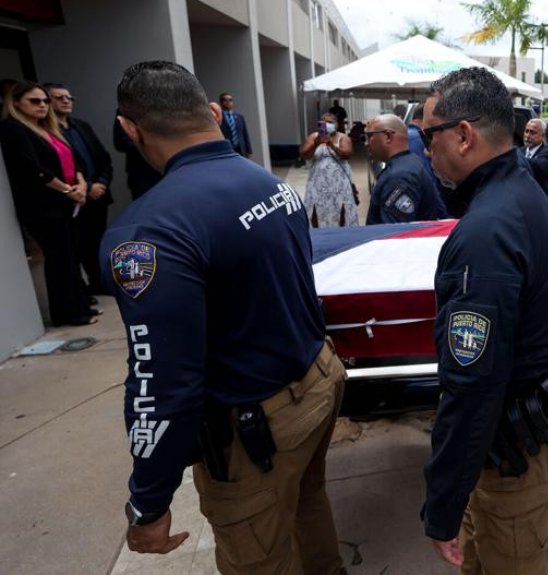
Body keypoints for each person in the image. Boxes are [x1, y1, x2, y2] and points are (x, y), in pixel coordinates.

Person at [104, 61, 345, 575]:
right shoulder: (266, 182)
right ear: (211, 112)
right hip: (318, 377)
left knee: (257, 552)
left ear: (130, 129)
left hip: (260, 425)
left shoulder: (148, 231)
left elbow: (161, 379)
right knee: (306, 503)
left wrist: (148, 500)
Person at [420, 67, 548, 573]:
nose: (425, 149)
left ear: (464, 135)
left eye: (430, 136)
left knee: (506, 561)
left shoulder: (485, 233)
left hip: (518, 434)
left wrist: (442, 507)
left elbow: (471, 387)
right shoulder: (520, 183)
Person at [0, 81, 95, 327]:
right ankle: (70, 314)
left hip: (67, 201)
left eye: (44, 101)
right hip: (44, 207)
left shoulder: (48, 128)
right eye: (34, 101)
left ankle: (81, 306)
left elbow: (75, 161)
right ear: (16, 102)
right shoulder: (13, 129)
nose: (42, 105)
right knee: (59, 259)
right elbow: (30, 168)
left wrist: (81, 185)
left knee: (70, 256)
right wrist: (67, 190)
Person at [47, 83, 114, 296]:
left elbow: (103, 157)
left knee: (98, 240)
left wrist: (101, 182)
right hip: (74, 197)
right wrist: (89, 186)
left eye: (69, 97)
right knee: (78, 246)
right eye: (59, 97)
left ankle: (99, 282)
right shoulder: (47, 132)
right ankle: (80, 291)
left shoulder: (81, 126)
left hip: (98, 194)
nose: (66, 101)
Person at [364, 113, 441, 224]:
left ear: (388, 136)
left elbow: (394, 235)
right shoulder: (410, 161)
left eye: (370, 136)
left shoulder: (399, 177)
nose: (366, 143)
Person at [300, 112, 358, 227]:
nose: (327, 125)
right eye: (324, 123)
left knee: (341, 209)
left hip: (338, 184)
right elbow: (305, 155)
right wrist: (316, 144)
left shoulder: (343, 137)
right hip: (317, 184)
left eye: (330, 123)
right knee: (316, 209)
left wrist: (331, 145)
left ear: (336, 124)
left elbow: (347, 154)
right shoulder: (314, 137)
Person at [523, 118, 548, 207]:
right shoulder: (521, 151)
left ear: (542, 135)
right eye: (526, 131)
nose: (528, 135)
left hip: (543, 204)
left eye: (532, 132)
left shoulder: (547, 153)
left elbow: (537, 165)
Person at [218, 92, 252, 157]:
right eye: (225, 100)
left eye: (230, 100)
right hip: (226, 149)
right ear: (221, 102)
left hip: (240, 149)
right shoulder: (218, 117)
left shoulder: (239, 117)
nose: (228, 102)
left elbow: (245, 134)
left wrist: (249, 150)